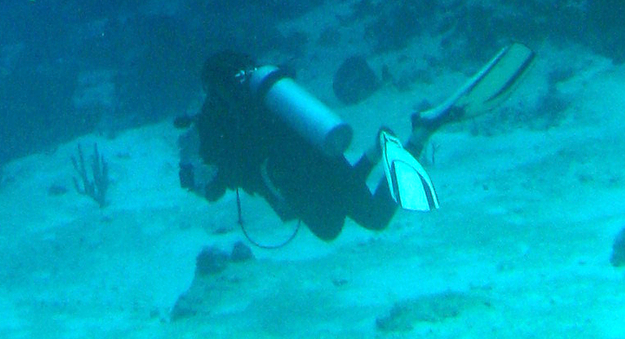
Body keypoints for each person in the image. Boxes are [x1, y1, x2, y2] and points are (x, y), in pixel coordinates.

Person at [178, 42, 534, 243]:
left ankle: (405, 141)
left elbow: (221, 179)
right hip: (320, 153)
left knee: (339, 225)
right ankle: (395, 144)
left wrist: (202, 181)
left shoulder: (220, 116)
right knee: (361, 215)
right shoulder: (263, 96)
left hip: (295, 177)